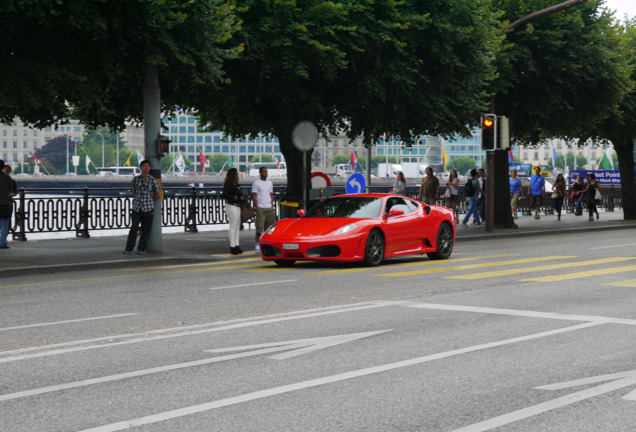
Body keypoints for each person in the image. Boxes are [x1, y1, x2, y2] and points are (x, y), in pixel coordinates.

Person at [123, 160, 160, 254]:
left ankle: (141, 248)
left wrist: (150, 200)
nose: (146, 168)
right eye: (144, 166)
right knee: (133, 229)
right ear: (141, 168)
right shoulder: (135, 179)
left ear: (150, 168)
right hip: (137, 208)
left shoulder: (152, 180)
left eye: (148, 166)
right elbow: (134, 191)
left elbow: (158, 194)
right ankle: (129, 248)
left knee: (146, 230)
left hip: (148, 208)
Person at [252, 166, 276, 253]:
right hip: (261, 208)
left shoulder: (270, 183)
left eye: (266, 172)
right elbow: (254, 195)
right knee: (259, 228)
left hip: (269, 207)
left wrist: (272, 205)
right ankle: (257, 244)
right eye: (264, 172)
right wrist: (257, 207)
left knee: (269, 228)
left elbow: (271, 194)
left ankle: (268, 244)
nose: (266, 173)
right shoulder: (256, 183)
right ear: (260, 173)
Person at [223, 167, 245, 255]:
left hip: (237, 206)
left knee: (237, 226)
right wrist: (233, 197)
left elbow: (240, 194)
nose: (238, 176)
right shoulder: (228, 184)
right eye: (236, 174)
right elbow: (225, 195)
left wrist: (242, 197)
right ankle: (232, 246)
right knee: (233, 226)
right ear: (233, 175)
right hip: (231, 206)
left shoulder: (237, 185)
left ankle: (237, 244)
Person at [0, 160, 15, 249]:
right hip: (5, 204)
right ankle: (2, 243)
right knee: (4, 225)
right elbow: (10, 189)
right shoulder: (7, 178)